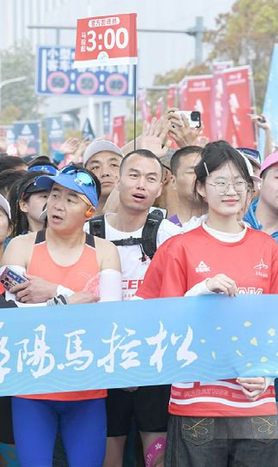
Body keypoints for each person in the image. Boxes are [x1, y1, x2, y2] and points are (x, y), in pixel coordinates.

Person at [137, 141, 278, 467]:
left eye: (239, 183)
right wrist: (199, 291)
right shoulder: (178, 248)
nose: (231, 191)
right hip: (196, 403)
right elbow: (151, 320)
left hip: (255, 403)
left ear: (249, 189)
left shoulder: (266, 247)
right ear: (201, 188)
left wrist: (269, 374)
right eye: (220, 182)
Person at [1, 165, 121, 466]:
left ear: (89, 211)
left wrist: (53, 290)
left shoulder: (105, 251)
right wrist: (68, 300)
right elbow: (14, 318)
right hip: (32, 385)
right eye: (54, 194)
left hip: (86, 386)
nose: (57, 204)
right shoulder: (20, 246)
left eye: (70, 199)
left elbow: (110, 318)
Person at [83, 149, 181, 467]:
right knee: (109, 449)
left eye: (151, 178)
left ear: (161, 186)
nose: (141, 184)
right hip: (102, 359)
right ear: (118, 179)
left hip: (154, 359)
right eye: (134, 175)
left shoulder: (170, 235)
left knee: (157, 452)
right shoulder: (88, 233)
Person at [83, 140, 124, 215]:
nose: (105, 173)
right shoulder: (75, 218)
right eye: (95, 167)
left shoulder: (143, 214)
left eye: (114, 165)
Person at [168, 146, 206, 226]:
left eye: (205, 171)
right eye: (192, 172)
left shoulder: (229, 227)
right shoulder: (165, 230)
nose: (200, 177)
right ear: (173, 181)